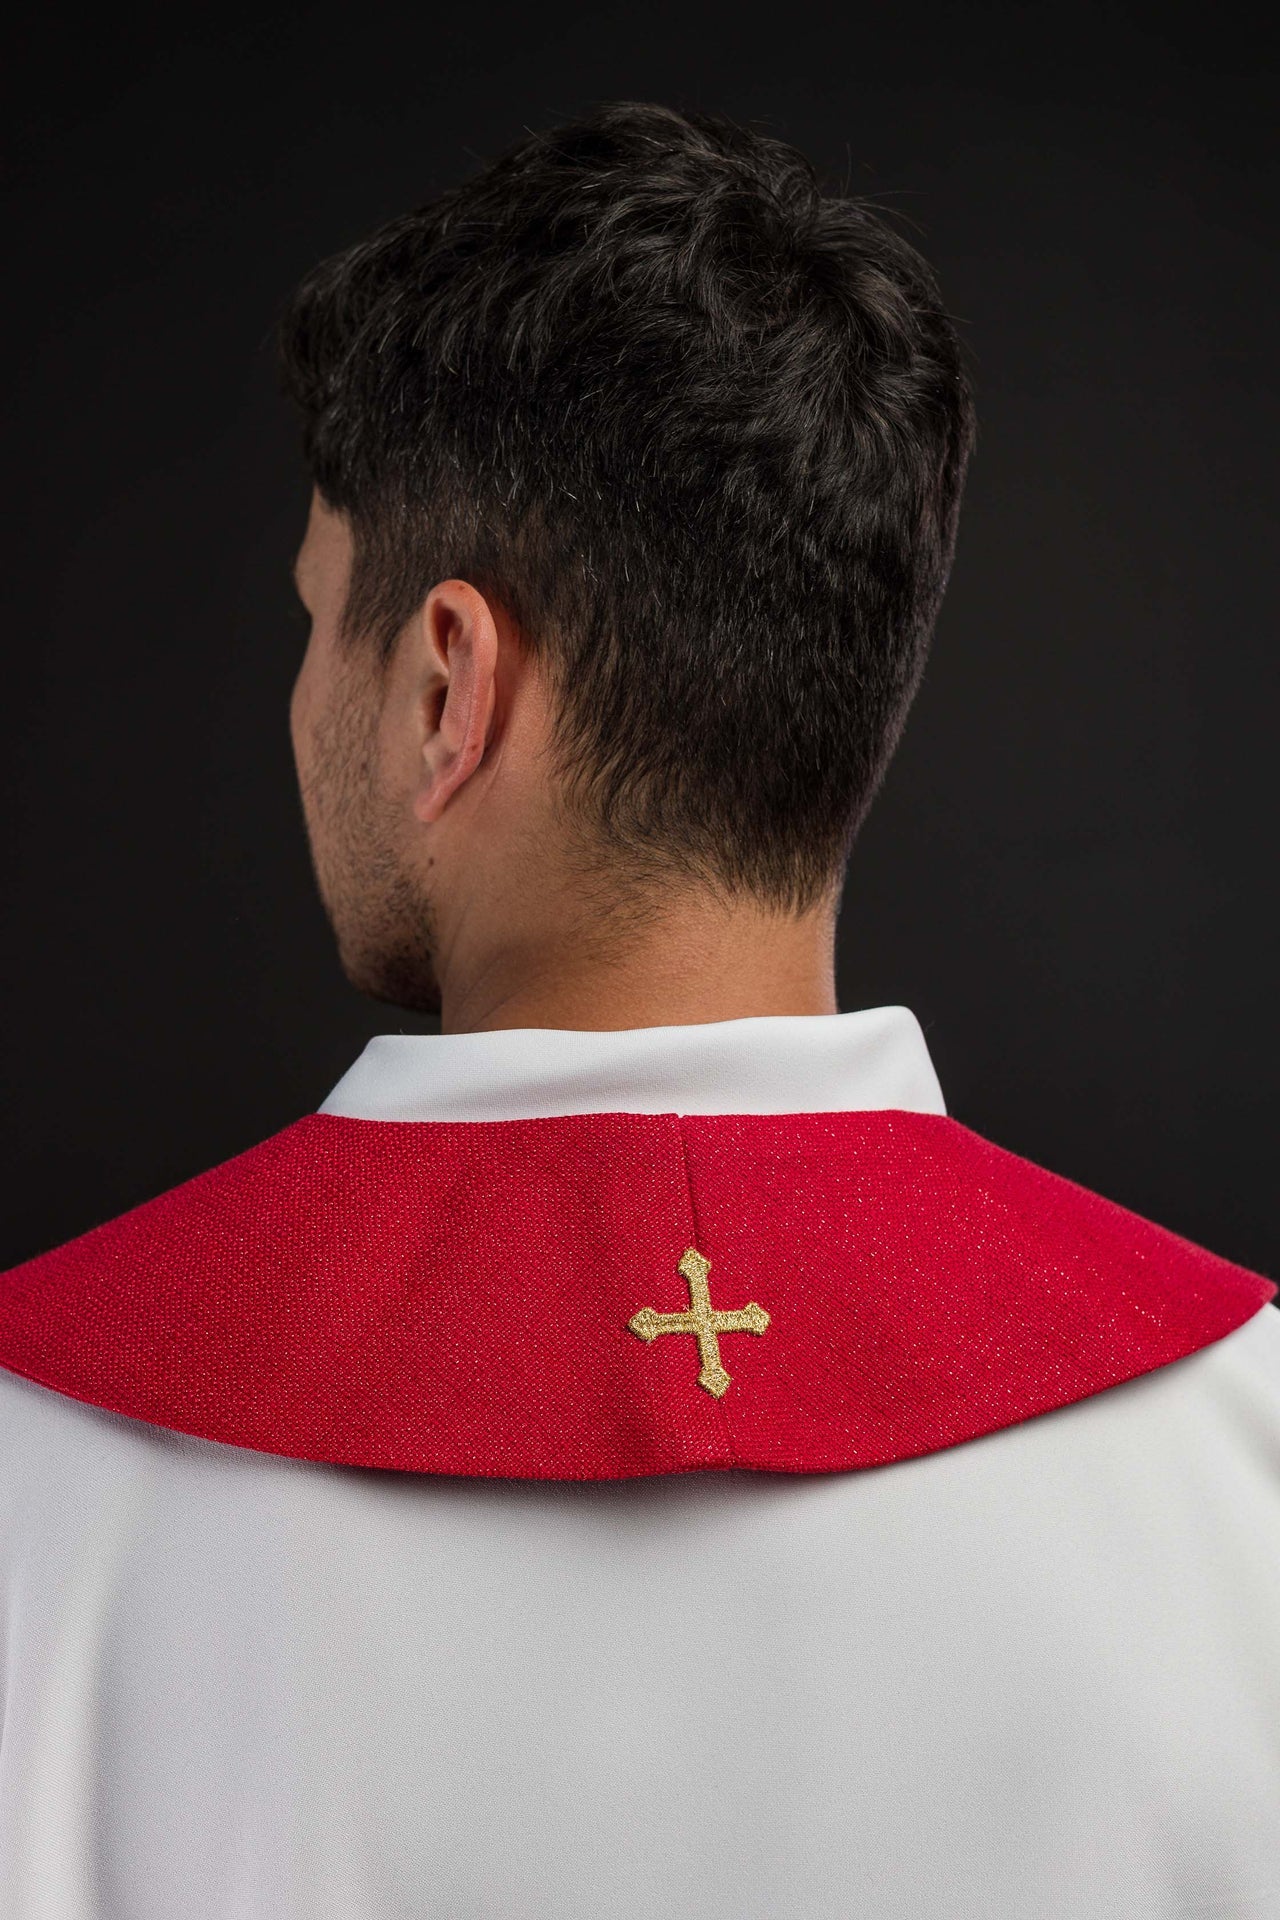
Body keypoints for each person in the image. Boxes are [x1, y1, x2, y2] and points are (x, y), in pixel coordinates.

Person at [1, 99, 1276, 1920]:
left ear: (449, 683)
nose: (297, 702)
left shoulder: (39, 1485)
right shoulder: (1248, 1451)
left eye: (315, 621)